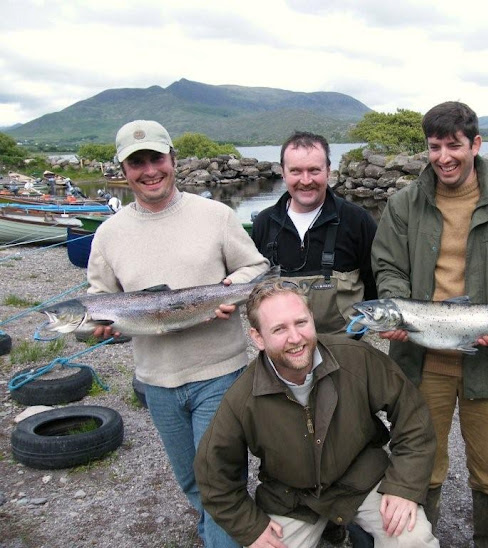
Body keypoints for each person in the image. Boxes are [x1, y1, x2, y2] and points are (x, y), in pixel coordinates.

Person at [87, 119, 270, 548]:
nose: (149, 170)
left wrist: (230, 289)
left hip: (220, 374)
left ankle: (221, 536)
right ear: (124, 170)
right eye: (137, 163)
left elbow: (256, 268)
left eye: (156, 158)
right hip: (156, 382)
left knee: (219, 485)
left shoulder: (216, 215)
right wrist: (102, 331)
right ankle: (216, 531)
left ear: (173, 160)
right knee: (191, 482)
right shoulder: (108, 234)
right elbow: (100, 300)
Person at [370, 101, 488, 547]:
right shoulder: (403, 204)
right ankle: (423, 539)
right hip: (421, 362)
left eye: (454, 145)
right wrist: (394, 311)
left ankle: (485, 541)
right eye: (434, 146)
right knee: (423, 464)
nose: (443, 156)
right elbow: (388, 267)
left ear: (476, 144)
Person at [193, 281, 439, 547]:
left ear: (312, 318)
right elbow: (212, 474)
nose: (295, 338)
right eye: (279, 329)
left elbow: (413, 416)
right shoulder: (241, 399)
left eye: (301, 322)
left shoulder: (356, 358)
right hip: (292, 498)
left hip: (363, 480)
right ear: (258, 338)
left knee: (414, 540)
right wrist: (250, 527)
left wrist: (404, 487)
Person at [251, 131, 377, 335]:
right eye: (296, 171)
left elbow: (374, 284)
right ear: (283, 172)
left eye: (314, 170)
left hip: (345, 346)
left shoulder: (358, 221)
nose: (306, 180)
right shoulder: (263, 224)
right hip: (284, 350)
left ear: (328, 171)